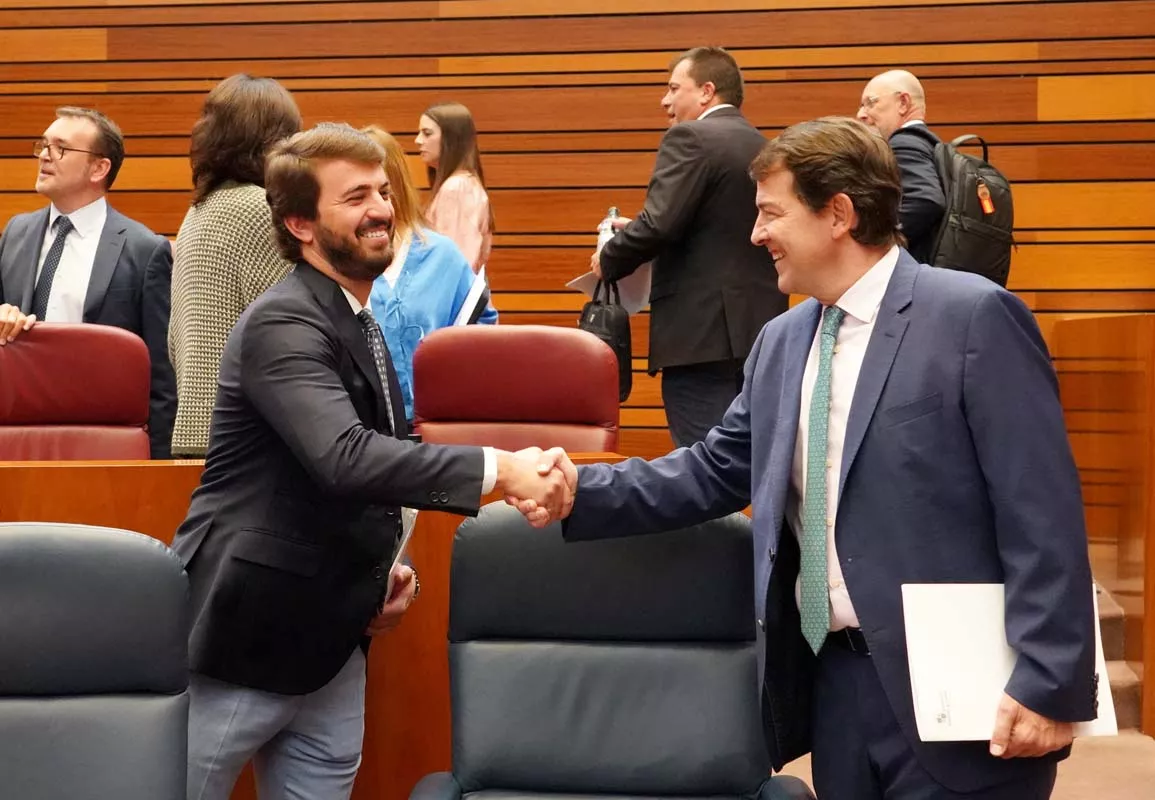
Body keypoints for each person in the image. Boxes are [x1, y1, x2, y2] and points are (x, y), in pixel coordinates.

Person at [522, 117, 1097, 799]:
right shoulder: (779, 342)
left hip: (963, 694)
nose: (755, 234)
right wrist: (578, 491)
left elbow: (1040, 509)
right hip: (836, 686)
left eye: (770, 213)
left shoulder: (972, 317)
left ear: (838, 215)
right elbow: (711, 470)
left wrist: (1048, 679)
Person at [170, 122, 570, 800]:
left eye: (383, 190)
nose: (382, 209)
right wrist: (502, 471)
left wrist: (386, 566)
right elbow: (346, 458)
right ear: (299, 222)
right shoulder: (283, 323)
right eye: (355, 197)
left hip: (335, 640)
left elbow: (385, 459)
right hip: (248, 640)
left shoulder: (358, 318)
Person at [591, 46, 787, 449]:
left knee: (703, 465)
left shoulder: (689, 137)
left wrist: (608, 257)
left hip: (699, 335)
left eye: (673, 87)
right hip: (758, 330)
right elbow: (717, 224)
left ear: (706, 92)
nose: (665, 100)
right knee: (750, 457)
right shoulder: (764, 146)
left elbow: (658, 224)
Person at [0, 106, 176, 458]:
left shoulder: (144, 250)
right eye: (43, 145)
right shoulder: (14, 233)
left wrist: (154, 472)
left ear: (99, 168)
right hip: (16, 438)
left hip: (100, 443)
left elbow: (160, 378)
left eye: (61, 148)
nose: (44, 156)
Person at [168, 74, 301, 457]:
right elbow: (293, 333)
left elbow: (175, 338)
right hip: (250, 440)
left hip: (198, 430)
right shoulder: (259, 210)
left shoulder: (196, 212)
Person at [361, 124, 498, 422]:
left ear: (391, 181)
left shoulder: (442, 256)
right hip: (362, 431)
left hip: (439, 427)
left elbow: (482, 337)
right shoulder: (336, 263)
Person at [856, 70, 946, 264]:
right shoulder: (926, 142)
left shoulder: (904, 143)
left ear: (903, 103)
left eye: (871, 103)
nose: (861, 114)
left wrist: (872, 243)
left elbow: (924, 200)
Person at [416, 102, 493, 272]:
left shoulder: (457, 188)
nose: (418, 140)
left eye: (427, 133)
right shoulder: (463, 183)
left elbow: (455, 262)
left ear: (451, 139)